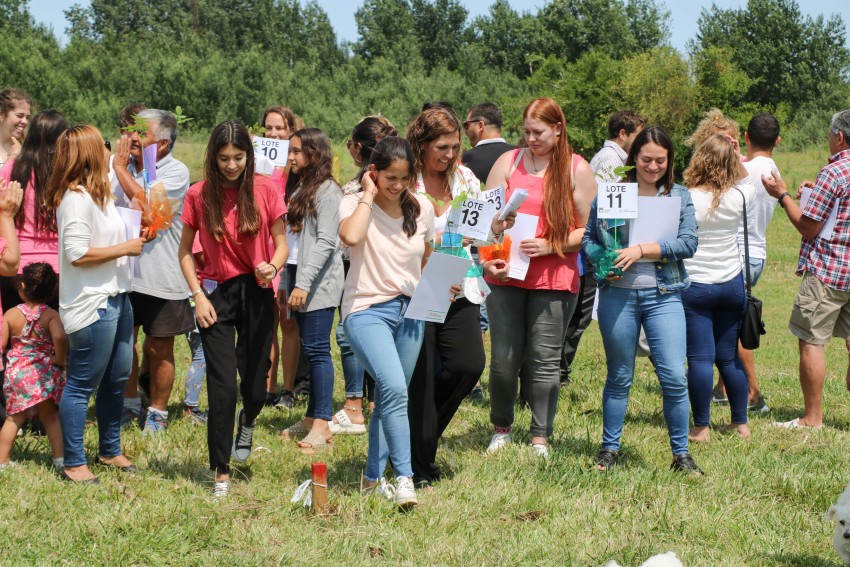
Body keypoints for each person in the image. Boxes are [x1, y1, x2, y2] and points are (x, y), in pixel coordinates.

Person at [178, 120, 287, 498]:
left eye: (238, 157)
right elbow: (185, 253)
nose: (230, 165)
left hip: (257, 291)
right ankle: (221, 471)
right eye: (223, 158)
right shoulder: (198, 194)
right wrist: (197, 296)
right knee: (221, 386)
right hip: (216, 295)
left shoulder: (266, 189)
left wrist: (273, 266)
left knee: (255, 386)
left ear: (248, 155)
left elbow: (282, 245)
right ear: (212, 157)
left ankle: (250, 418)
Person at [582, 126, 701, 474]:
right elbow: (589, 239)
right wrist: (603, 263)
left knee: (674, 377)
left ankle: (681, 454)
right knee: (619, 376)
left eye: (660, 160)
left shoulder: (678, 195)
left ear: (670, 160)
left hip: (664, 296)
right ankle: (609, 449)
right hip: (619, 295)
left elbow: (688, 243)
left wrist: (644, 250)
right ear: (633, 158)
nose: (653, 167)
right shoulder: (614, 193)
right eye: (646, 159)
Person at [483, 97, 597, 457]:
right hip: (507, 275)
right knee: (503, 359)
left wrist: (551, 245)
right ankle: (501, 428)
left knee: (544, 360)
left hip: (554, 278)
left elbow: (589, 231)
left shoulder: (577, 169)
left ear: (558, 130)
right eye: (526, 131)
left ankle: (540, 438)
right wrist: (495, 235)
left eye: (539, 132)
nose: (530, 138)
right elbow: (485, 222)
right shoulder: (507, 162)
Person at [407, 106, 512, 485]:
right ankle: (418, 464)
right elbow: (402, 239)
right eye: (441, 147)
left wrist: (496, 231)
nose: (450, 154)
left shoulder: (466, 178)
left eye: (454, 146)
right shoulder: (405, 180)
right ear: (420, 144)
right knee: (421, 376)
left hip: (460, 279)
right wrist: (446, 239)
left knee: (467, 366)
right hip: (420, 281)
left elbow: (479, 233)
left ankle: (415, 438)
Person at [44, 124, 149, 483]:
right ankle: (73, 462)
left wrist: (135, 234)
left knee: (117, 378)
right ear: (89, 153)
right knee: (82, 383)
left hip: (117, 297)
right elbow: (76, 254)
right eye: (104, 144)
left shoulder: (99, 195)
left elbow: (115, 237)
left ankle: (109, 450)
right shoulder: (74, 199)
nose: (110, 148)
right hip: (92, 305)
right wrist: (125, 248)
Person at [339, 136, 437, 508]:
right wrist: (367, 193)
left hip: (412, 311)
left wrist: (445, 283)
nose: (397, 186)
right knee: (395, 388)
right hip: (365, 310)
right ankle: (406, 477)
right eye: (389, 178)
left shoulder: (421, 208)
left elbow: (426, 257)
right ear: (374, 172)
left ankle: (370, 478)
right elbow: (350, 236)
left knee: (389, 396)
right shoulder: (354, 202)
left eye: (405, 178)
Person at [762, 109, 850, 429]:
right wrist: (815, 193)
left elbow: (808, 228)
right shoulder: (833, 175)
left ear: (839, 137)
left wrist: (783, 195)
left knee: (812, 340)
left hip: (829, 271)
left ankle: (812, 419)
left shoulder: (835, 172)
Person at [112, 109, 194, 434]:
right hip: (123, 271)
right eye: (130, 130)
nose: (131, 137)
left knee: (160, 347)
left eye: (139, 133)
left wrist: (119, 170)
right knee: (124, 343)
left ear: (160, 144)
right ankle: (130, 403)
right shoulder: (119, 165)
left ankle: (157, 413)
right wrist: (117, 167)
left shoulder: (176, 172)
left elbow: (155, 212)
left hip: (162, 277)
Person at [682, 134, 755, 442]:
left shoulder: (686, 197)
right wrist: (735, 155)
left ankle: (701, 427)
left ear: (700, 159)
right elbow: (748, 179)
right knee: (728, 358)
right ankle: (741, 425)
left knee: (699, 359)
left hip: (696, 285)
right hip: (732, 284)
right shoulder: (739, 196)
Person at [566, 110, 647, 384]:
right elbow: (601, 212)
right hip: (598, 248)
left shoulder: (617, 160)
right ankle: (560, 372)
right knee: (580, 315)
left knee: (583, 315)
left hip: (605, 247)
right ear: (622, 134)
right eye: (637, 134)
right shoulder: (609, 161)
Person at [276, 128, 343, 452]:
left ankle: (323, 425)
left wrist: (303, 284)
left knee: (317, 351)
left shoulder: (329, 191)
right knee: (308, 346)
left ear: (314, 154)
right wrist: (286, 280)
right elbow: (294, 239)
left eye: (296, 151)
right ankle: (310, 417)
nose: (290, 156)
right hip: (296, 274)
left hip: (317, 282)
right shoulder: (302, 184)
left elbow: (328, 242)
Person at [334, 115, 398, 426]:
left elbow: (347, 241)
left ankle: (354, 403)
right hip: (393, 276)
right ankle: (377, 402)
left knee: (351, 337)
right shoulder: (402, 189)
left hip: (358, 274)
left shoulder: (352, 191)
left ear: (358, 149)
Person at [461, 102, 516, 400]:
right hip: (511, 242)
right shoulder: (517, 156)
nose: (466, 130)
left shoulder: (467, 161)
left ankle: (474, 382)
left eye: (467, 123)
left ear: (480, 125)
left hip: (474, 241)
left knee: (475, 308)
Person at [730, 113, 782, 413]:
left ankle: (752, 391)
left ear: (747, 136)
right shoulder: (772, 170)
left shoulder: (744, 168)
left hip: (737, 255)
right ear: (777, 141)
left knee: (734, 327)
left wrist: (730, 154)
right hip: (757, 252)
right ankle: (724, 387)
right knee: (735, 319)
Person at [0, 263, 66, 470]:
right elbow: (61, 338)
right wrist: (60, 359)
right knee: (50, 417)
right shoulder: (51, 315)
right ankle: (60, 460)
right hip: (42, 374)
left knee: (13, 419)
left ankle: (2, 461)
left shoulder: (11, 314)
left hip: (18, 372)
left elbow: (2, 344)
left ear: (21, 286)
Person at [0, 110, 68, 310]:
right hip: (57, 270)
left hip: (15, 267)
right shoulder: (68, 173)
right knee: (55, 337)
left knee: (13, 338)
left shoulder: (12, 169)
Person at [261, 105, 302, 408]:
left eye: (279, 128)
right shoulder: (257, 162)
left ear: (290, 131)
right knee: (266, 322)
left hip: (288, 252)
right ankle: (267, 388)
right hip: (262, 251)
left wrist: (288, 169)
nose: (273, 134)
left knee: (287, 321)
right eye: (269, 128)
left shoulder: (300, 166)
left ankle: (289, 390)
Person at [0, 89, 32, 167]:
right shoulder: (17, 152)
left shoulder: (27, 152)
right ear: (1, 115)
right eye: (19, 116)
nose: (25, 121)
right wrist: (13, 157)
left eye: (27, 117)